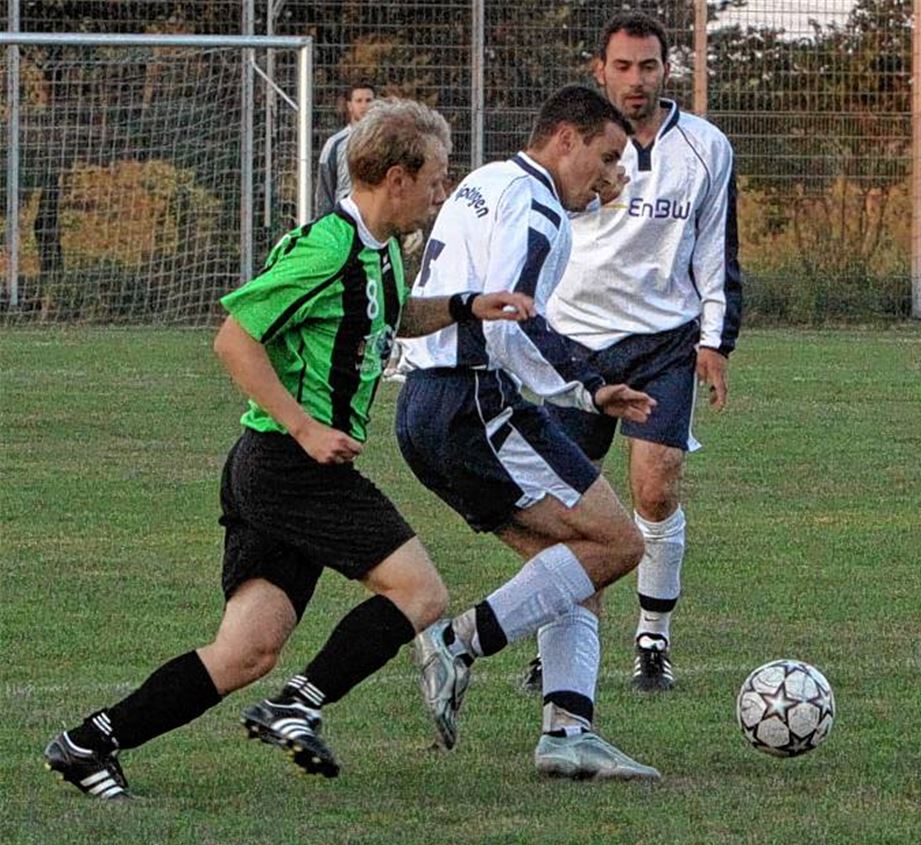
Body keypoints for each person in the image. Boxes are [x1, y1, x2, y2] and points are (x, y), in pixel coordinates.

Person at [42, 98, 534, 801]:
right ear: (396, 178)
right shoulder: (326, 249)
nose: (440, 191)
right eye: (435, 176)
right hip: (290, 466)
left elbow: (389, 316)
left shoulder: (384, 251)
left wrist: (465, 305)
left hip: (269, 470)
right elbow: (234, 338)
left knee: (246, 651)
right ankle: (296, 704)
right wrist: (305, 426)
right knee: (423, 593)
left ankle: (88, 742)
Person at [396, 85, 662, 781]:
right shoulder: (541, 206)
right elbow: (511, 319)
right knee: (619, 542)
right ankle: (459, 643)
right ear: (565, 139)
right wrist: (591, 383)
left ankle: (568, 731)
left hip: (423, 409)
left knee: (580, 563)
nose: (608, 177)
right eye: (604, 158)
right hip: (475, 401)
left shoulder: (487, 180)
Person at [520, 11, 743, 695]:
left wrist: (715, 341)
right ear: (600, 69)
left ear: (666, 70)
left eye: (648, 66)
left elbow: (716, 252)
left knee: (655, 483)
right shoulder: (573, 144)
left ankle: (652, 639)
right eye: (622, 66)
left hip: (662, 345)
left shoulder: (705, 147)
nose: (635, 80)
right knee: (565, 504)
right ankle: (558, 637)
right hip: (574, 346)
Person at [315, 81, 377, 216]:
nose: (364, 105)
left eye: (368, 100)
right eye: (359, 101)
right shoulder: (335, 144)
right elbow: (325, 189)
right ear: (350, 105)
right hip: (345, 219)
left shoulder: (387, 142)